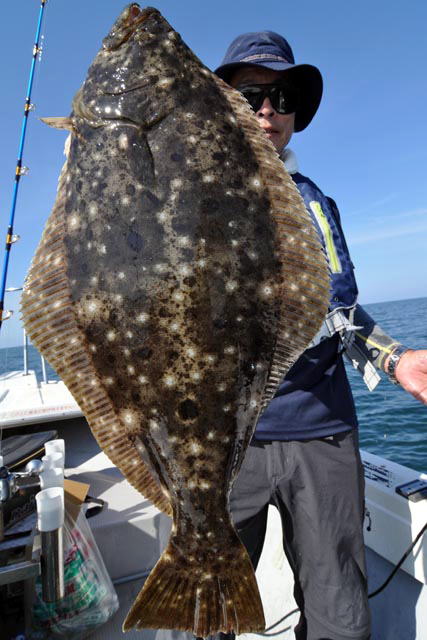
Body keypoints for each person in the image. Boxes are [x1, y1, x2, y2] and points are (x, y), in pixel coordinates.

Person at [153, 31, 427, 640]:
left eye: (282, 97)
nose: (267, 110)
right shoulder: (180, 197)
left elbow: (339, 307)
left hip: (321, 430)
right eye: (248, 95)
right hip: (222, 441)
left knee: (341, 618)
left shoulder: (316, 204)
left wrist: (396, 357)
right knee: (205, 618)